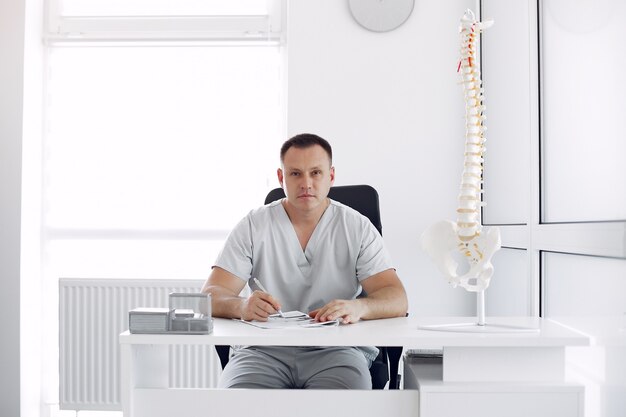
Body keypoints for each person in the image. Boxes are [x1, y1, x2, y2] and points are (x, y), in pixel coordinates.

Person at [201, 133, 408, 389]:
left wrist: (359, 308)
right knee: (236, 402)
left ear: (331, 176)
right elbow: (210, 295)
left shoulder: (357, 227)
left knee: (345, 403)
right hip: (262, 352)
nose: (306, 183)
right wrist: (241, 306)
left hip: (337, 351)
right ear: (281, 178)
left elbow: (397, 298)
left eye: (316, 173)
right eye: (295, 174)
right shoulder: (254, 226)